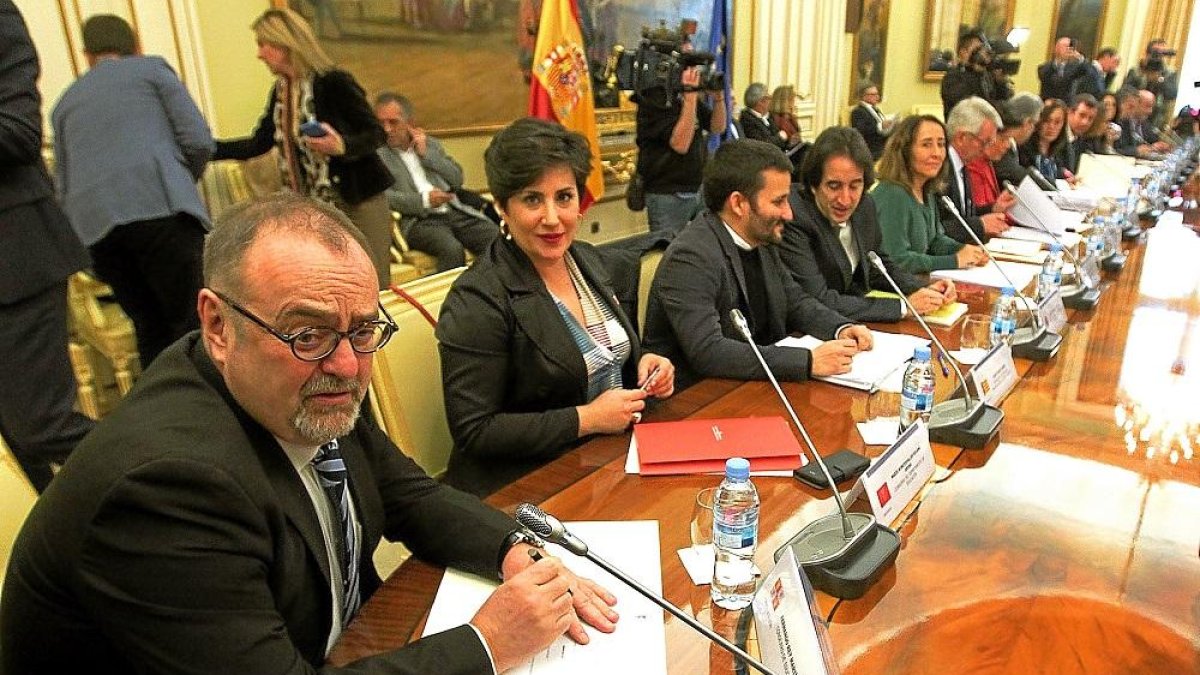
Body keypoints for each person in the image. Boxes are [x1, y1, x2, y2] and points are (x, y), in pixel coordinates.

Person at [0, 193, 620, 673]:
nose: (347, 365)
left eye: (363, 330)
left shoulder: (302, 380)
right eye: (308, 333)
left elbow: (413, 497)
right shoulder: (166, 486)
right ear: (217, 325)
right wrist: (487, 643)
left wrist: (517, 552)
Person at [436, 119, 675, 497]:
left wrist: (646, 362)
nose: (552, 218)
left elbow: (602, 355)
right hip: (523, 485)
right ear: (501, 206)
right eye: (532, 199)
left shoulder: (588, 259)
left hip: (605, 462)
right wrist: (587, 419)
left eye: (564, 197)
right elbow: (475, 430)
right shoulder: (476, 300)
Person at [642, 139, 872, 389]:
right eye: (778, 202)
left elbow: (795, 302)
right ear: (738, 203)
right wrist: (808, 361)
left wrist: (840, 328)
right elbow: (709, 351)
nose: (789, 213)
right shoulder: (690, 257)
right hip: (702, 396)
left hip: (755, 383)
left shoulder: (761, 238)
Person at [52, 14, 212, 366]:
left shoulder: (64, 104)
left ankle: (161, 396)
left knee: (148, 326)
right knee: (193, 321)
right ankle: (207, 396)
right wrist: (181, 180)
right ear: (136, 45)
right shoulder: (151, 71)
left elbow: (61, 187)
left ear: (86, 55)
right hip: (161, 209)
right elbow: (199, 141)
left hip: (97, 232)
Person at [214, 8, 394, 288]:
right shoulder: (281, 92)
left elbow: (376, 133)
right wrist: (205, 149)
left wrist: (342, 145)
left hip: (356, 199)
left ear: (285, 44)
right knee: (333, 286)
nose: (259, 54)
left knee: (372, 283)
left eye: (263, 45)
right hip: (315, 207)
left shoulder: (332, 82)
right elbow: (259, 143)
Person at [0, 0, 94, 492]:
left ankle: (185, 486)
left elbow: (18, 131)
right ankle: (64, 531)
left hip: (15, 258)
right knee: (16, 433)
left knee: (42, 426)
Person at [781, 127, 956, 323]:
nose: (845, 199)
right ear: (814, 185)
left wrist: (923, 289)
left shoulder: (865, 205)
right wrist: (902, 307)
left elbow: (878, 265)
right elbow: (818, 299)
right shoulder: (794, 216)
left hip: (854, 323)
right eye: (834, 186)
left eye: (855, 186)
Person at [374, 92, 497, 272]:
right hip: (418, 221)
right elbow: (383, 197)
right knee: (451, 249)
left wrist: (426, 155)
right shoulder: (377, 155)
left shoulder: (430, 145)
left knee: (495, 238)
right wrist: (425, 201)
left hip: (452, 211)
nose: (386, 129)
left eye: (393, 122)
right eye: (381, 123)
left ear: (410, 123)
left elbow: (457, 179)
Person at [872, 115, 989, 274]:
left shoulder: (927, 191)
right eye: (926, 145)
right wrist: (954, 260)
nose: (937, 153)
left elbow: (935, 240)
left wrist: (965, 250)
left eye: (941, 144)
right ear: (905, 150)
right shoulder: (892, 195)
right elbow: (896, 260)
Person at [634, 39, 727, 234]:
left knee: (703, 245)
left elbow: (717, 127)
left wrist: (718, 98)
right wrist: (690, 97)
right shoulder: (654, 98)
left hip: (697, 188)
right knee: (668, 247)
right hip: (668, 193)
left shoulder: (683, 97)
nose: (692, 71)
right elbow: (680, 144)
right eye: (687, 65)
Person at [939, 97, 1009, 244]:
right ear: (961, 138)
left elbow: (963, 214)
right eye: (985, 142)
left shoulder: (962, 163)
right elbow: (935, 229)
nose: (986, 150)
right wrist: (980, 225)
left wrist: (993, 208)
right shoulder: (939, 169)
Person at [941, 31, 1003, 119]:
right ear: (963, 52)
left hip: (989, 123)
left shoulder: (986, 74)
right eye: (977, 49)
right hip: (962, 124)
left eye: (982, 49)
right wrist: (976, 72)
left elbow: (1000, 100)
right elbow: (966, 104)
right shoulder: (952, 77)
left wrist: (1000, 82)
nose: (981, 53)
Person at [1121, 39, 1179, 129]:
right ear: (1148, 53)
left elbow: (1172, 95)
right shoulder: (1136, 70)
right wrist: (1143, 75)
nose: (1158, 56)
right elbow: (1125, 91)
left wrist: (1160, 80)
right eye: (1155, 52)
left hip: (1157, 118)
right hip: (1134, 115)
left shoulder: (1170, 73)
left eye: (1162, 53)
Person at [965, 124, 1019, 215]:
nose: (1007, 145)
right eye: (1003, 139)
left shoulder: (987, 162)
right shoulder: (973, 165)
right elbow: (979, 213)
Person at [992, 93, 1043, 188]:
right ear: (1027, 122)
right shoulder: (999, 136)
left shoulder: (1017, 143)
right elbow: (1013, 173)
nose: (1034, 130)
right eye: (1034, 124)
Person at [1019, 98, 1070, 181]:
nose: (1051, 126)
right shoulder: (1023, 148)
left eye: (1057, 122)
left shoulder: (1061, 153)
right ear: (1038, 121)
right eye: (1047, 121)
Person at [1115, 88, 1171, 157]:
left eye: (1152, 107)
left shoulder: (1147, 125)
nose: (1150, 111)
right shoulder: (1121, 121)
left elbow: (1151, 143)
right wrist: (1136, 151)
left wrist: (1157, 146)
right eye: (1147, 106)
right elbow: (1116, 148)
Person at [850, 82, 895, 160]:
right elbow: (861, 130)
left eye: (877, 94)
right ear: (864, 96)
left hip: (883, 145)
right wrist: (880, 126)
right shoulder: (858, 111)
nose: (877, 97)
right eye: (873, 94)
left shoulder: (875, 109)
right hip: (871, 149)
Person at [1037, 37, 1088, 102]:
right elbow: (1057, 82)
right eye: (1065, 46)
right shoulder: (1044, 68)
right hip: (1048, 104)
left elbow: (1087, 70)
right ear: (1056, 48)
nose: (1068, 49)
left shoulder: (1074, 69)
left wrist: (1080, 58)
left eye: (1070, 47)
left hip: (1067, 105)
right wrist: (1059, 61)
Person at [738, 82, 785, 149]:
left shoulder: (768, 117)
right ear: (761, 101)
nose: (771, 101)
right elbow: (763, 145)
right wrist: (780, 138)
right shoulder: (747, 120)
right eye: (769, 98)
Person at [1062, 93, 1100, 173]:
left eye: (1090, 118)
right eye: (1082, 115)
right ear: (1070, 112)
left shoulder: (1083, 141)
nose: (1085, 122)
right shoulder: (1057, 135)